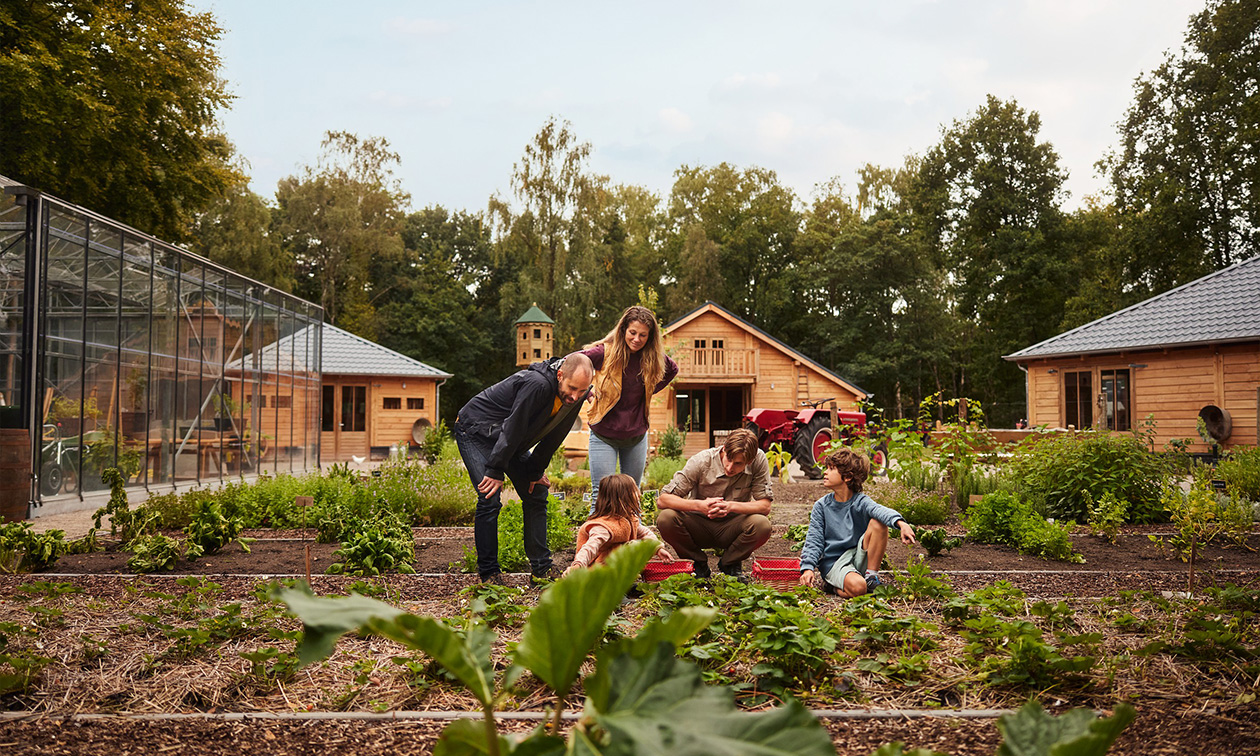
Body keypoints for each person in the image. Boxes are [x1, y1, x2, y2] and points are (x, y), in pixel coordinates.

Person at [454, 352, 594, 584]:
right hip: (475, 430)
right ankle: (489, 574)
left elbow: (554, 436)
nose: (575, 395)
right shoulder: (537, 385)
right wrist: (495, 470)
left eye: (582, 390)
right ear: (560, 375)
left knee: (536, 492)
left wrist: (535, 472)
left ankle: (541, 569)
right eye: (572, 388)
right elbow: (514, 427)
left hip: (506, 438)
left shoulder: (575, 395)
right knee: (489, 497)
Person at [581, 306, 679, 507]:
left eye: (643, 335)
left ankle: (636, 538)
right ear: (623, 330)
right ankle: (593, 538)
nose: (637, 339)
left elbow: (672, 370)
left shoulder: (652, 357)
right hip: (603, 435)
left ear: (650, 337)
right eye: (632, 333)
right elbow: (572, 362)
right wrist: (584, 390)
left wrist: (649, 390)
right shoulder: (605, 352)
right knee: (601, 496)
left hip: (636, 436)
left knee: (632, 497)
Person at [797, 448, 917, 597]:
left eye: (831, 469)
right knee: (859, 588)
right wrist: (807, 567)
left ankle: (871, 577)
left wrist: (901, 523)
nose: (825, 472)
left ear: (847, 477)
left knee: (878, 523)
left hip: (857, 556)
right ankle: (831, 586)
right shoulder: (821, 506)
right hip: (835, 563)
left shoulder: (860, 501)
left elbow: (880, 510)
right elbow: (814, 540)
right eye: (826, 468)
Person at [655, 428, 772, 580]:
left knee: (762, 525)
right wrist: (700, 506)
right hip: (699, 525)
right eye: (728, 459)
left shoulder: (758, 460)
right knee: (666, 518)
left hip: (733, 527)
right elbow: (663, 500)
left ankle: (731, 563)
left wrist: (731, 506)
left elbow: (765, 506)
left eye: (738, 463)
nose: (730, 467)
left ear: (749, 461)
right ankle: (697, 563)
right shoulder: (702, 460)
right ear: (724, 449)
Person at [563, 473, 674, 575]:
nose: (639, 494)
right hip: (597, 573)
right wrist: (578, 565)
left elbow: (646, 534)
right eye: (635, 491)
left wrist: (658, 549)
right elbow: (590, 547)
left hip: (614, 570)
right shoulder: (604, 526)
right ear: (622, 497)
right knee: (632, 547)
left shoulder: (629, 519)